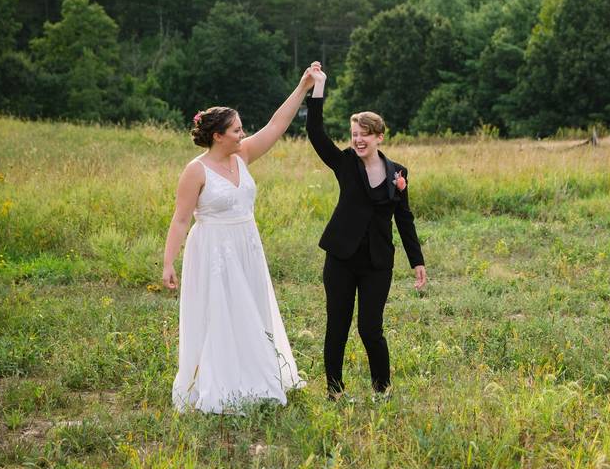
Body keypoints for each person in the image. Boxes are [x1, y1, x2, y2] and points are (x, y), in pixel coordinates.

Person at [162, 68, 314, 413]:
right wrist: (169, 262)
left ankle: (256, 377)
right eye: (236, 130)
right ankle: (222, 385)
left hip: (247, 245)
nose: (242, 134)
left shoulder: (242, 155)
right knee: (220, 314)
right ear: (218, 136)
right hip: (213, 250)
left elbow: (277, 125)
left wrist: (303, 87)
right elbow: (181, 218)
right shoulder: (195, 171)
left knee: (252, 311)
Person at [304, 61, 427, 401]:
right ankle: (335, 391)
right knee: (338, 326)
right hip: (341, 257)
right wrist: (318, 88)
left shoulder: (397, 172)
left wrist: (417, 261)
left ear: (379, 137)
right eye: (354, 134)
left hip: (377, 262)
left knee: (370, 328)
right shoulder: (344, 162)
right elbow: (315, 133)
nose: (357, 140)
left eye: (364, 135)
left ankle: (382, 390)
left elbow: (404, 218)